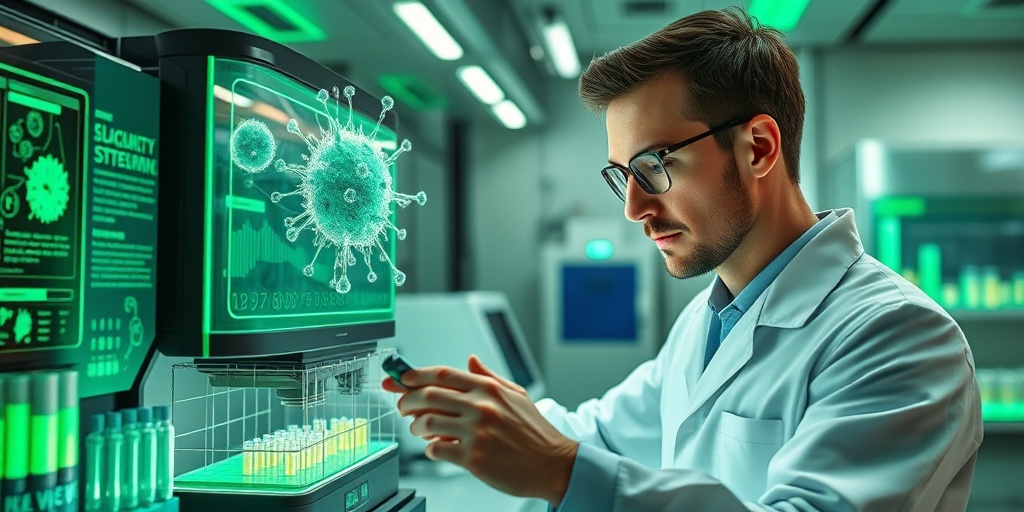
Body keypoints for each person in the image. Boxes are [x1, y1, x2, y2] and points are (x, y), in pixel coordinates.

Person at [382, 7, 982, 511]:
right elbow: (604, 435)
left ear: (758, 148)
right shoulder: (707, 321)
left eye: (654, 166)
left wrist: (564, 472)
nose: (634, 208)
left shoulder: (898, 335)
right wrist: (481, 413)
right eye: (623, 175)